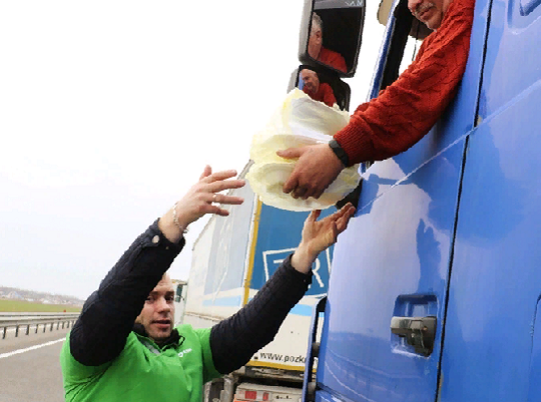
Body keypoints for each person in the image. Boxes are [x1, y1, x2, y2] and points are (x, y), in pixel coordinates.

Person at [59, 166, 356, 402]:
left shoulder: (191, 346)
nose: (164, 307)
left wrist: (304, 254)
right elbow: (114, 301)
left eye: (169, 297)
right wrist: (176, 220)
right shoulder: (94, 353)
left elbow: (251, 329)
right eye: (150, 298)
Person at [281, 0, 474, 200]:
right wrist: (335, 141)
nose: (412, 4)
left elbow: (414, 93)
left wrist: (338, 152)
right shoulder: (434, 40)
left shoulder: (466, 9)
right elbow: (398, 89)